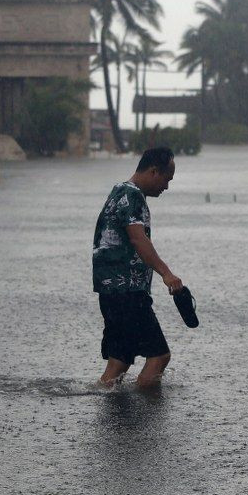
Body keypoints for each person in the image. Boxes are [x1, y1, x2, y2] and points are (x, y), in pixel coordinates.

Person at [92, 147, 182, 390]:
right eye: (166, 179)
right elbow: (138, 239)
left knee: (119, 361)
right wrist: (167, 273)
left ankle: (112, 412)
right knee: (159, 356)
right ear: (154, 172)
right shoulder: (133, 197)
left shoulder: (118, 191)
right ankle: (146, 420)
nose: (166, 187)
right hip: (128, 292)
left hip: (110, 292)